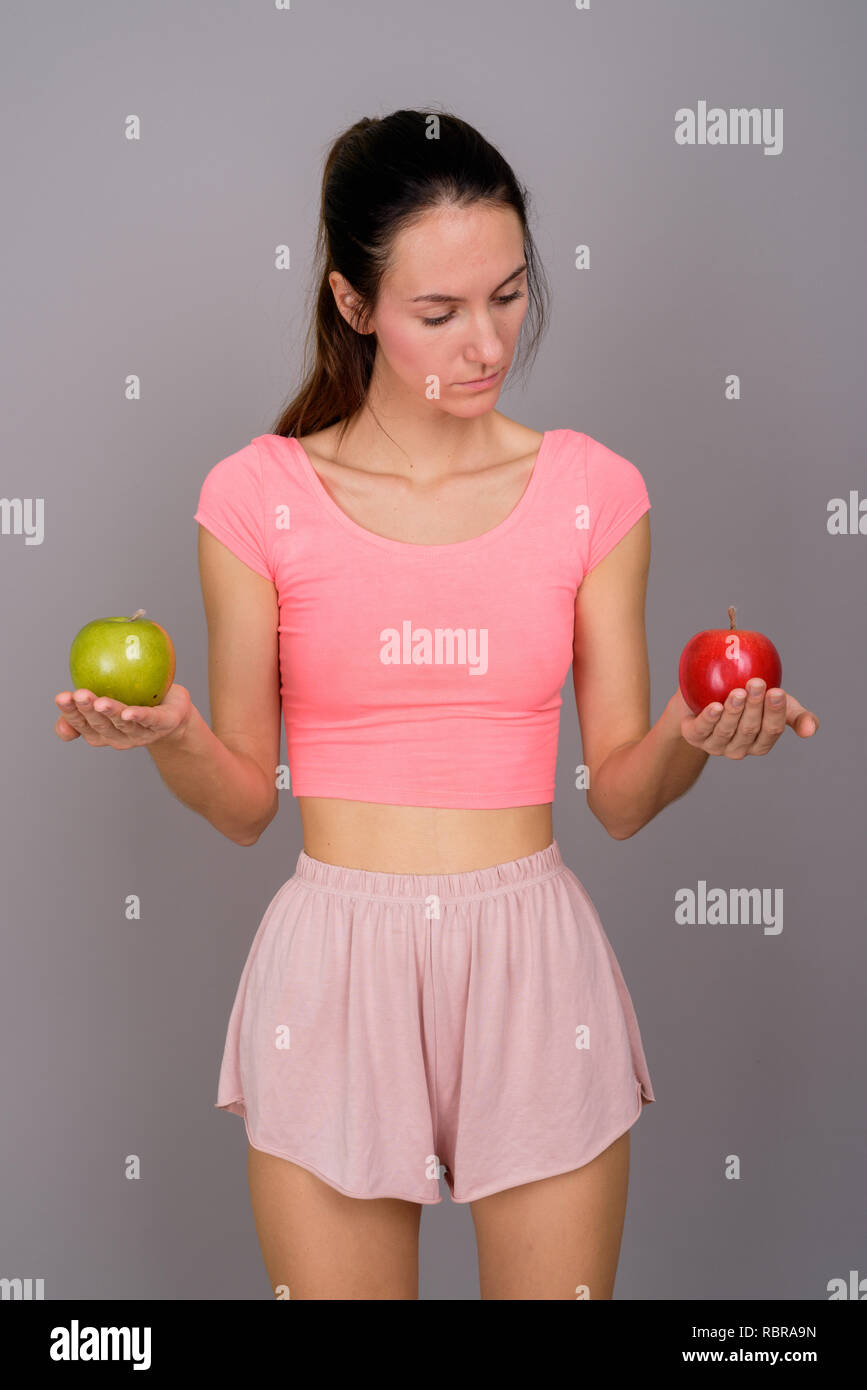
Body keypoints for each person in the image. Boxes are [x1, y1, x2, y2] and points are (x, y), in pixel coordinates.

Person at [54, 109, 819, 1301]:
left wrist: (694, 729)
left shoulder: (593, 491)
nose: (488, 343)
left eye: (510, 295)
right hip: (333, 970)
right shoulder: (257, 497)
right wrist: (173, 734)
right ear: (355, 305)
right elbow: (249, 802)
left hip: (536, 970)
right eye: (440, 313)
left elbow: (618, 794)